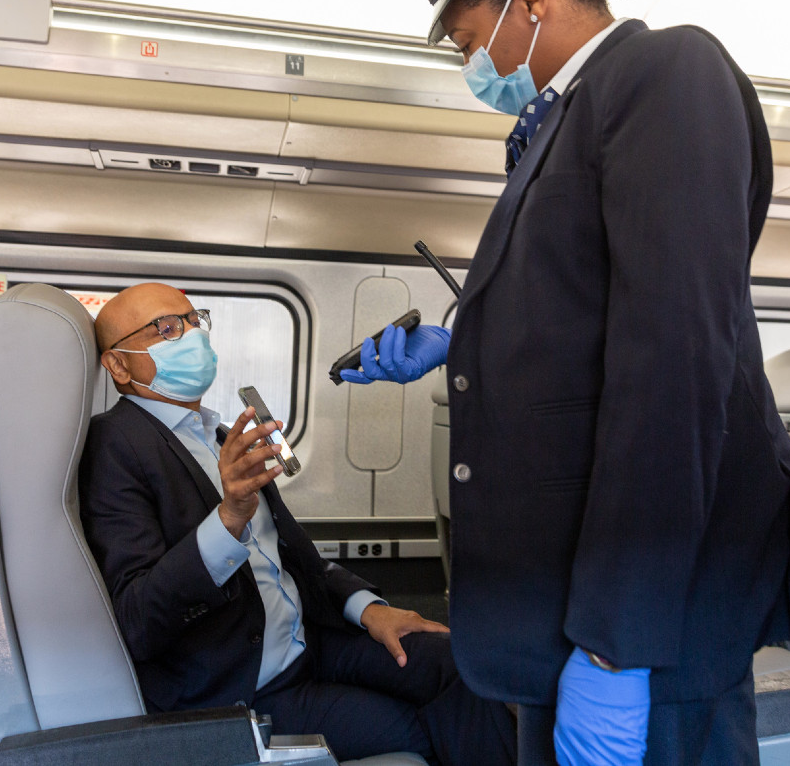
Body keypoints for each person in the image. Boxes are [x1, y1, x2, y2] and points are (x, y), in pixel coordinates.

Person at [340, 0, 790, 764]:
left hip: (640, 633)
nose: (476, 66)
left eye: (471, 39)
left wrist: (617, 648)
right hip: (569, 621)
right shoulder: (562, 121)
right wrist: (466, 342)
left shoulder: (667, 76)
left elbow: (673, 371)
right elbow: (593, 320)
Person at [78, 282, 516, 766]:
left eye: (192, 320)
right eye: (165, 327)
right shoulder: (115, 445)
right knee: (420, 727)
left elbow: (295, 556)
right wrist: (228, 520)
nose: (189, 335)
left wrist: (369, 609)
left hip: (310, 637)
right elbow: (139, 619)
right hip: (247, 680)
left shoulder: (221, 432)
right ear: (118, 364)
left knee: (462, 663)